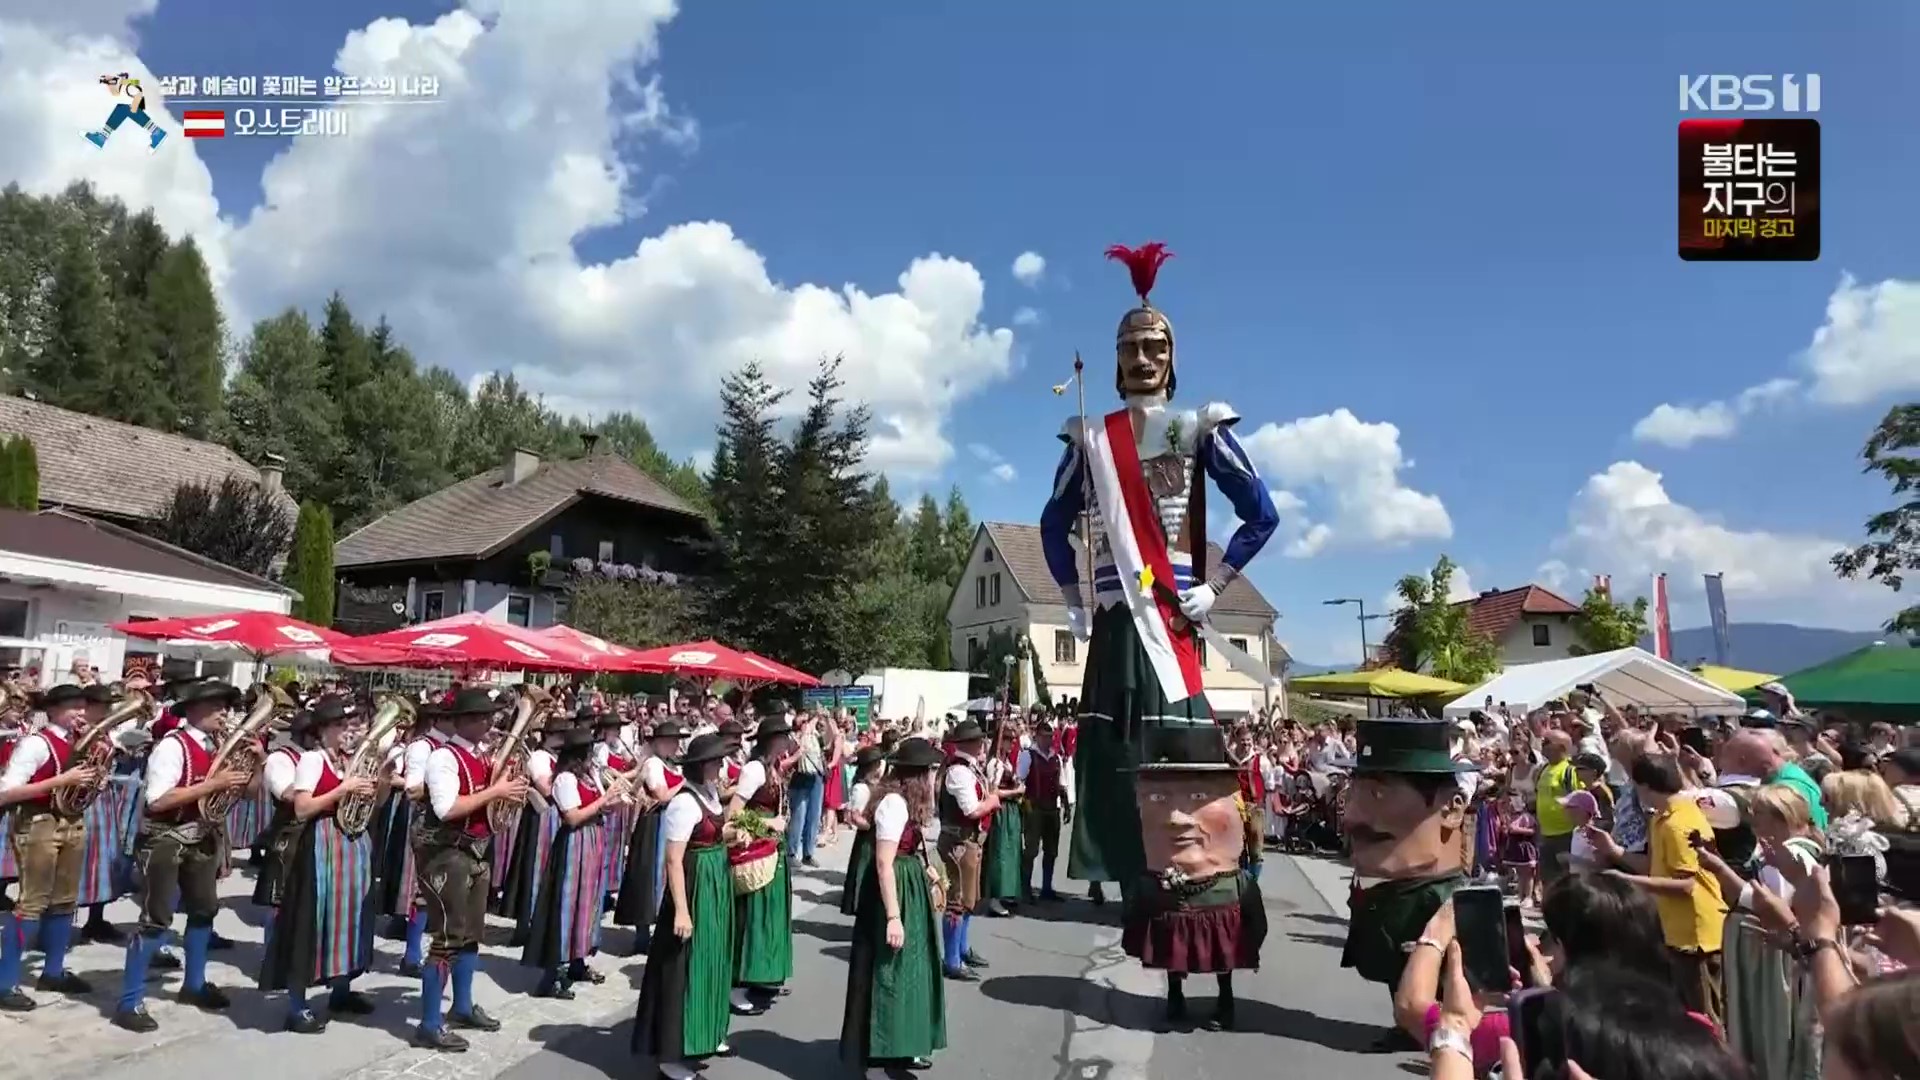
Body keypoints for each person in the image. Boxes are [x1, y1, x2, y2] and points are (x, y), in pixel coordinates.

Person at [1036, 242, 1279, 906]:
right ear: (1115, 360)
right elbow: (1053, 525)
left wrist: (1216, 584)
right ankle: (1122, 874)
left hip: (1171, 619)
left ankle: (1188, 873)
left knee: (1178, 748)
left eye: (1154, 346)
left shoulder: (1198, 429)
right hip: (1115, 622)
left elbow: (1261, 514)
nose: (1142, 358)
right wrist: (1073, 599)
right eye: (1130, 347)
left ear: (1173, 357)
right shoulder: (1089, 437)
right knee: (1114, 751)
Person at [113, 679, 251, 1032]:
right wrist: (213, 785)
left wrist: (259, 762)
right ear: (193, 710)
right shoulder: (172, 746)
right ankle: (130, 1002)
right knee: (156, 918)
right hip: (165, 841)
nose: (225, 713)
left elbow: (249, 793)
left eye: (226, 706)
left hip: (202, 839)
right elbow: (157, 800)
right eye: (216, 706)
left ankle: (194, 984)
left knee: (204, 910)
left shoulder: (219, 745)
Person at [1120, 725, 1266, 1030]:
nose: (1177, 818)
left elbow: (1256, 925)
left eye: (1199, 796)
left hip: (1219, 888)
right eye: (1158, 797)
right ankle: (1175, 993)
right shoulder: (1150, 880)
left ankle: (1225, 998)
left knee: (1224, 948)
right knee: (1171, 943)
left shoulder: (1237, 883)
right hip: (1170, 890)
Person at [413, 686, 527, 1052]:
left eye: (490, 717)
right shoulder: (443, 758)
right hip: (446, 854)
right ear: (464, 721)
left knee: (471, 936)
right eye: (483, 718)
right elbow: (446, 808)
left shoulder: (481, 756)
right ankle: (430, 1023)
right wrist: (496, 792)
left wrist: (507, 786)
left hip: (475, 851)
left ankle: (462, 1006)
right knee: (446, 939)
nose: (491, 723)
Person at [260, 696, 380, 1033]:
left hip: (351, 844)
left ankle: (341, 990)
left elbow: (373, 802)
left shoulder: (347, 760)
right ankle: (297, 1006)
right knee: (310, 922)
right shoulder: (312, 760)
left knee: (349, 920)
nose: (348, 730)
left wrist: (379, 780)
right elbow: (302, 808)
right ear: (323, 730)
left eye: (349, 724)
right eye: (341, 725)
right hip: (321, 844)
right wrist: (343, 790)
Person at [1339, 719, 1471, 1018]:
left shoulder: (1451, 904)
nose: (1351, 816)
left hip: (1449, 1029)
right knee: (1396, 969)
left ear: (1452, 810)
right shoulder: (1386, 891)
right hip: (1399, 898)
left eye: (1378, 795)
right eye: (1353, 794)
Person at [632, 733, 738, 1080]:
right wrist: (681, 909)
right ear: (702, 765)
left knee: (710, 958)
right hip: (693, 888)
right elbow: (674, 860)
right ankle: (671, 1055)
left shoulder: (709, 794)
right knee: (681, 967)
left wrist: (735, 835)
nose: (721, 766)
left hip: (715, 884)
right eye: (716, 761)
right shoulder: (684, 802)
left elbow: (713, 834)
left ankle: (704, 1032)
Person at [840, 737, 948, 1076]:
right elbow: (884, 863)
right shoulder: (893, 804)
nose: (932, 778)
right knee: (890, 969)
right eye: (929, 772)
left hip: (908, 884)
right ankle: (884, 1048)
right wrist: (893, 917)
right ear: (917, 776)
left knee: (911, 969)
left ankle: (905, 1041)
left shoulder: (905, 803)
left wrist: (926, 869)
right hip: (894, 890)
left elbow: (907, 848)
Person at [0, 684, 101, 1011]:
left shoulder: (80, 741)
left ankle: (53, 971)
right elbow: (6, 792)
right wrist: (62, 781)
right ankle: (5, 982)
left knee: (65, 901)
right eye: (74, 707)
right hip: (38, 823)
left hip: (72, 822)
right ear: (54, 710)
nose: (81, 713)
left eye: (83, 706)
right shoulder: (36, 743)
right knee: (32, 903)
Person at [1610, 752, 1727, 1028]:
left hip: (1697, 936)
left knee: (1706, 1019)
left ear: (1644, 786)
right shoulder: (1660, 819)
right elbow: (1653, 868)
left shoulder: (1678, 823)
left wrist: (1626, 881)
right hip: (1675, 932)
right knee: (1687, 1016)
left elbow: (1686, 885)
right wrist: (1613, 851)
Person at [523, 728, 630, 998]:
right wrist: (605, 799)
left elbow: (601, 807)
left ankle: (578, 963)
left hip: (594, 839)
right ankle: (553, 975)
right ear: (577, 755)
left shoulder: (589, 776)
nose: (592, 757)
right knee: (568, 904)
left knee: (588, 903)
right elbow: (571, 817)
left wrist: (618, 800)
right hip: (575, 843)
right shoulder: (565, 779)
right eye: (588, 752)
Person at [726, 714, 794, 1014]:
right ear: (771, 740)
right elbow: (734, 813)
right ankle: (738, 983)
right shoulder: (754, 769)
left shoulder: (773, 767)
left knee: (771, 911)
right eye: (783, 736)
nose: (788, 741)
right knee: (753, 915)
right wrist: (767, 825)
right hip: (756, 850)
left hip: (773, 847)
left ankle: (764, 973)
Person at [613, 719, 688, 950]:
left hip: (670, 820)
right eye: (670, 741)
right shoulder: (653, 764)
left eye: (676, 741)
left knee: (664, 875)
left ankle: (658, 929)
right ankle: (643, 934)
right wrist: (685, 784)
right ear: (658, 743)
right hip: (654, 823)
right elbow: (661, 795)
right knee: (648, 875)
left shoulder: (671, 765)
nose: (675, 745)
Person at [936, 719, 1000, 980]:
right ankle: (952, 960)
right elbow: (971, 810)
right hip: (959, 842)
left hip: (969, 841)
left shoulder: (968, 767)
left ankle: (962, 949)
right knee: (957, 901)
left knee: (969, 898)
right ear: (970, 743)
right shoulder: (959, 771)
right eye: (978, 739)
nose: (982, 743)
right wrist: (992, 801)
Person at [1017, 714, 1071, 902]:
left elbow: (1062, 784)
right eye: (1044, 736)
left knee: (1051, 851)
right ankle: (1025, 888)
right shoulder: (1028, 756)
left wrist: (1066, 805)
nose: (1047, 740)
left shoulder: (1055, 758)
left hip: (1052, 809)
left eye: (1050, 737)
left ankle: (1047, 888)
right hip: (1035, 809)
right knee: (1031, 850)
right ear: (1037, 736)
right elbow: (1020, 780)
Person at [978, 720, 1025, 917]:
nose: (1013, 743)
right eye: (1009, 739)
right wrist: (1015, 792)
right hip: (1001, 811)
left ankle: (1006, 892)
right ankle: (994, 899)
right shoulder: (995, 764)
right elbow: (993, 791)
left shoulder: (1005, 762)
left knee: (1010, 854)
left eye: (1014, 739)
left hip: (1011, 811)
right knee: (1000, 854)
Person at [839, 745, 887, 916]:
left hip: (876, 837)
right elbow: (855, 817)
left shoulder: (876, 785)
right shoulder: (861, 788)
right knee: (864, 872)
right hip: (867, 838)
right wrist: (873, 824)